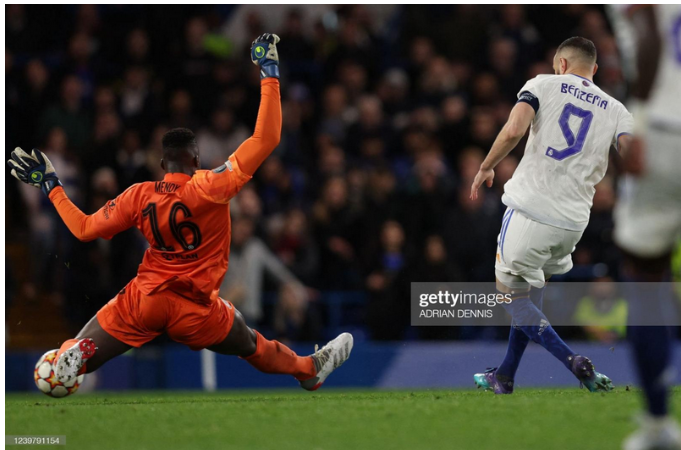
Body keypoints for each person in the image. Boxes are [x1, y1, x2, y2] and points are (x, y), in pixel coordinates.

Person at [8, 34, 352, 393]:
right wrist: (269, 71)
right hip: (198, 311)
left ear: (162, 163)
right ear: (197, 160)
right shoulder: (212, 185)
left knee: (91, 343)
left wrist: (52, 186)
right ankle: (307, 369)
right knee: (250, 342)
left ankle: (73, 355)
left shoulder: (139, 195)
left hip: (148, 298)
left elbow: (81, 229)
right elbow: (267, 138)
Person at [469, 36, 634, 394]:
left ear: (560, 63)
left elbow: (514, 129)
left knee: (509, 297)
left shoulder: (542, 84)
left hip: (531, 210)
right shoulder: (617, 108)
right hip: (573, 223)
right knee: (530, 293)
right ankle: (506, 375)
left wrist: (486, 166)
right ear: (594, 70)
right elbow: (631, 154)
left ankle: (573, 360)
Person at [610, 5, 681, 449]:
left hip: (665, 131)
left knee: (646, 277)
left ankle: (658, 423)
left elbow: (647, 31)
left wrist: (634, 117)